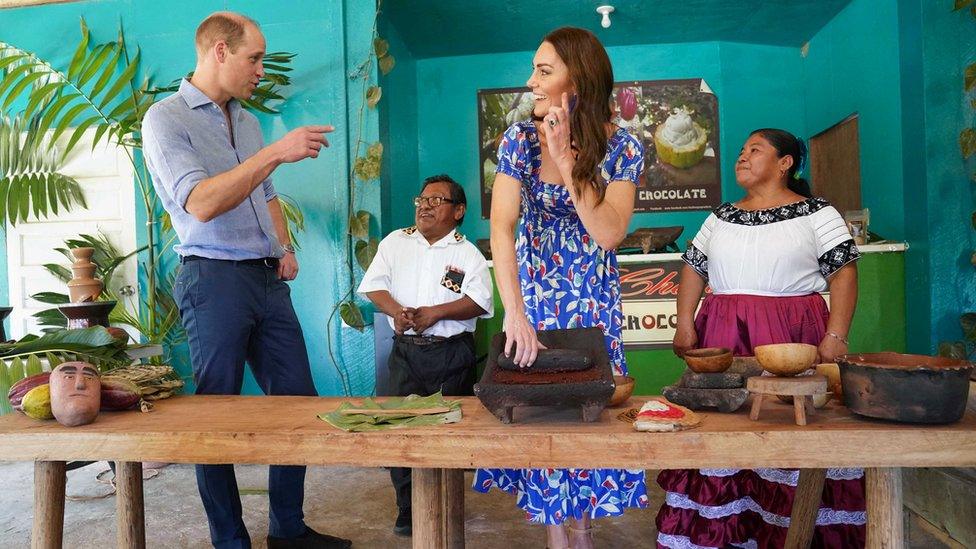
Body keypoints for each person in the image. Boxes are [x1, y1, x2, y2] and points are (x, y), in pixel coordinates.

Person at [141, 12, 350, 549]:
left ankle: (287, 529)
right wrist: (277, 151)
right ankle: (230, 541)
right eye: (253, 58)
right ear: (218, 51)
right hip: (212, 279)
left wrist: (283, 248)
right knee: (215, 415)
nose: (260, 69)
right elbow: (203, 203)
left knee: (299, 403)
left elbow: (267, 194)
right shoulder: (165, 120)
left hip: (264, 278)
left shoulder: (248, 121)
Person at [471, 27, 648, 549]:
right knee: (542, 412)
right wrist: (514, 311)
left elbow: (609, 231)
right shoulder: (519, 140)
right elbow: (502, 226)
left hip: (594, 301)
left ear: (581, 80)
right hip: (536, 301)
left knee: (589, 412)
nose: (531, 81)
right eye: (534, 69)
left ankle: (585, 535)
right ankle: (556, 538)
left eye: (544, 71)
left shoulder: (624, 147)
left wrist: (569, 162)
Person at [656, 128, 865, 548]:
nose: (742, 156)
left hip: (791, 335)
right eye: (741, 149)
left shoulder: (817, 213)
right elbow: (694, 270)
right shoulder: (720, 216)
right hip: (723, 336)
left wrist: (836, 334)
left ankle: (792, 529)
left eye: (755, 150)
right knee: (724, 426)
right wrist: (684, 321)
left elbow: (843, 273)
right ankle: (721, 533)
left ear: (785, 163)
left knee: (785, 425)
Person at [358, 174, 493, 537]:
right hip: (406, 353)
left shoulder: (467, 253)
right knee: (399, 432)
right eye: (421, 200)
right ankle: (407, 508)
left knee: (448, 434)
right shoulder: (396, 243)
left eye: (436, 201)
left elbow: (480, 302)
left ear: (458, 210)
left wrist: (437, 312)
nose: (424, 206)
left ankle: (448, 503)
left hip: (451, 355)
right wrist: (398, 311)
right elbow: (373, 286)